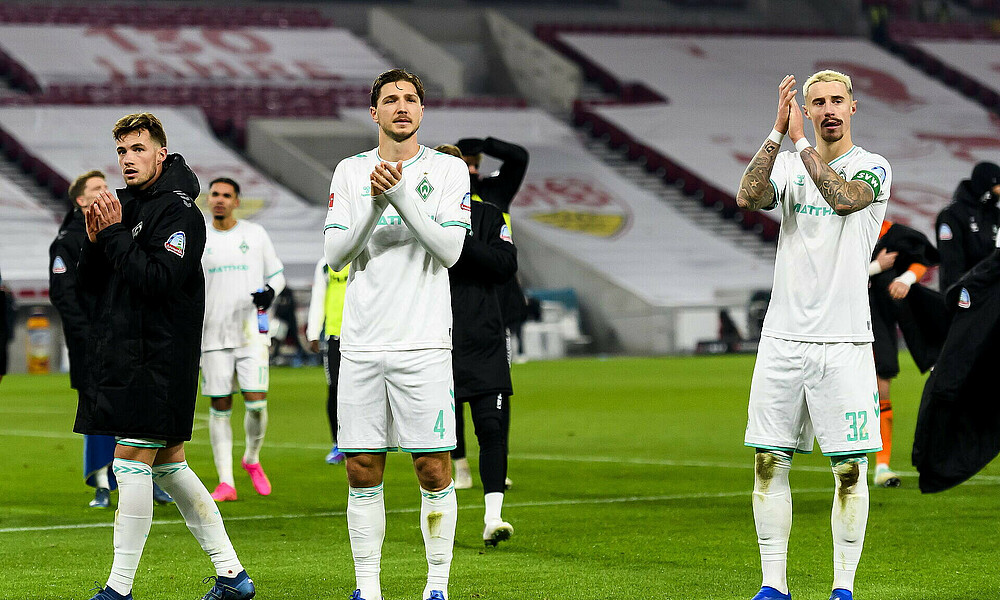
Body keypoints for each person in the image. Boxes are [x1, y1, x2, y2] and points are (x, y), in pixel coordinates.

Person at [75, 112, 254, 600]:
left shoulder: (180, 213)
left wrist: (112, 236)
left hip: (161, 357)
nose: (127, 160)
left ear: (161, 152)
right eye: (121, 151)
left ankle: (119, 587)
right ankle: (233, 576)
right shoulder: (127, 207)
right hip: (129, 355)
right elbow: (94, 285)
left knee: (130, 459)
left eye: (137, 149)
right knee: (168, 462)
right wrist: (95, 243)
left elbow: (157, 280)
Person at [736, 71, 891, 600]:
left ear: (853, 107)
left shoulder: (872, 167)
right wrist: (777, 132)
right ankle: (772, 585)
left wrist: (801, 141)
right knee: (767, 459)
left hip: (845, 342)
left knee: (849, 469)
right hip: (782, 338)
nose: (826, 110)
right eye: (815, 102)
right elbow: (748, 197)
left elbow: (844, 200)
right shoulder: (788, 160)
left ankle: (842, 588)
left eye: (835, 102)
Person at [324, 68, 470, 600]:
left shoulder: (449, 171)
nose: (401, 107)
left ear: (422, 111)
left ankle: (436, 587)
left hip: (425, 342)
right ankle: (369, 589)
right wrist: (375, 204)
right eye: (390, 100)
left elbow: (450, 251)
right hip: (361, 343)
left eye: (410, 99)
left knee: (433, 468)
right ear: (374, 113)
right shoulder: (349, 170)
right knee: (362, 468)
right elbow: (336, 255)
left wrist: (401, 197)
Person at [437, 143, 518, 546]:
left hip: (484, 339)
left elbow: (506, 265)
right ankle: (440, 518)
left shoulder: (488, 215)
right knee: (438, 438)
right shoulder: (420, 219)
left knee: (491, 427)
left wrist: (460, 245)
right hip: (435, 342)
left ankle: (493, 518)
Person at [201, 177, 285, 502]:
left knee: (257, 404)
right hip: (212, 334)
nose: (220, 200)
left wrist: (269, 292)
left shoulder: (255, 234)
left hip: (251, 333)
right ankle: (226, 482)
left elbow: (276, 273)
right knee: (220, 406)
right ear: (209, 200)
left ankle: (251, 458)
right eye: (215, 195)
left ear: (237, 201)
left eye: (226, 195)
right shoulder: (200, 237)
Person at [452, 137, 528, 489]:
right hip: (456, 302)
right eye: (463, 161)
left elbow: (519, 157)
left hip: (496, 301)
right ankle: (459, 462)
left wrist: (485, 143)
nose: (469, 168)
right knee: (449, 388)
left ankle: (498, 459)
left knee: (497, 386)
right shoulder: (441, 198)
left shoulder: (495, 193)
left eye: (473, 161)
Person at [912, 236, 1000, 493]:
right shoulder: (956, 217)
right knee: (953, 380)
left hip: (979, 299)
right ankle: (932, 455)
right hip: (977, 304)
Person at [867, 219, 945, 488]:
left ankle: (882, 465)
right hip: (849, 317)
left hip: (885, 318)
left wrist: (906, 278)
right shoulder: (843, 229)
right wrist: (876, 267)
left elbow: (920, 256)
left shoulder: (896, 233)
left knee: (882, 385)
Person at [305, 257, 349, 464]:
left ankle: (366, 441)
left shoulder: (365, 252)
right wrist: (313, 331)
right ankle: (337, 442)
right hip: (334, 336)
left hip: (364, 336)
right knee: (335, 389)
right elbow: (319, 296)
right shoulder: (326, 262)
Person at [936, 161, 1000, 292]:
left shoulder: (995, 214)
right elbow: (952, 264)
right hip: (964, 296)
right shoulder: (952, 215)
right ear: (988, 185)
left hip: (991, 295)